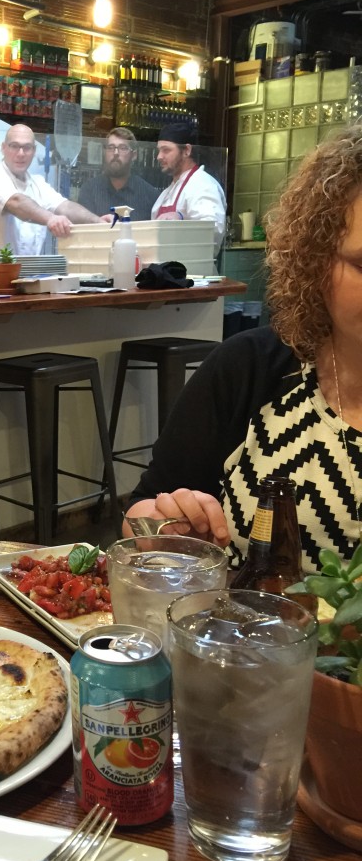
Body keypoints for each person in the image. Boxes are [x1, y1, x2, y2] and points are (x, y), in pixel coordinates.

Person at [124, 124, 362, 576]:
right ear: (315, 260)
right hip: (235, 641)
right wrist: (169, 526)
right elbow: (140, 517)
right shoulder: (249, 370)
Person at [0, 123, 107, 256]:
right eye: (14, 146)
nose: (21, 153)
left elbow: (65, 206)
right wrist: (51, 219)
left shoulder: (38, 183)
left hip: (28, 273)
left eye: (27, 147)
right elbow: (16, 202)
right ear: (3, 148)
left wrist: (98, 222)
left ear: (34, 151)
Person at [150, 122, 226, 245]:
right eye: (159, 150)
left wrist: (181, 218)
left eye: (166, 150)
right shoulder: (166, 193)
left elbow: (213, 229)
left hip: (191, 264)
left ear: (187, 150)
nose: (159, 156)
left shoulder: (202, 184)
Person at [78, 127, 158, 220]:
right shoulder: (89, 190)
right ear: (105, 152)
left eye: (123, 148)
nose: (115, 153)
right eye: (110, 148)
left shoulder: (149, 195)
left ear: (134, 155)